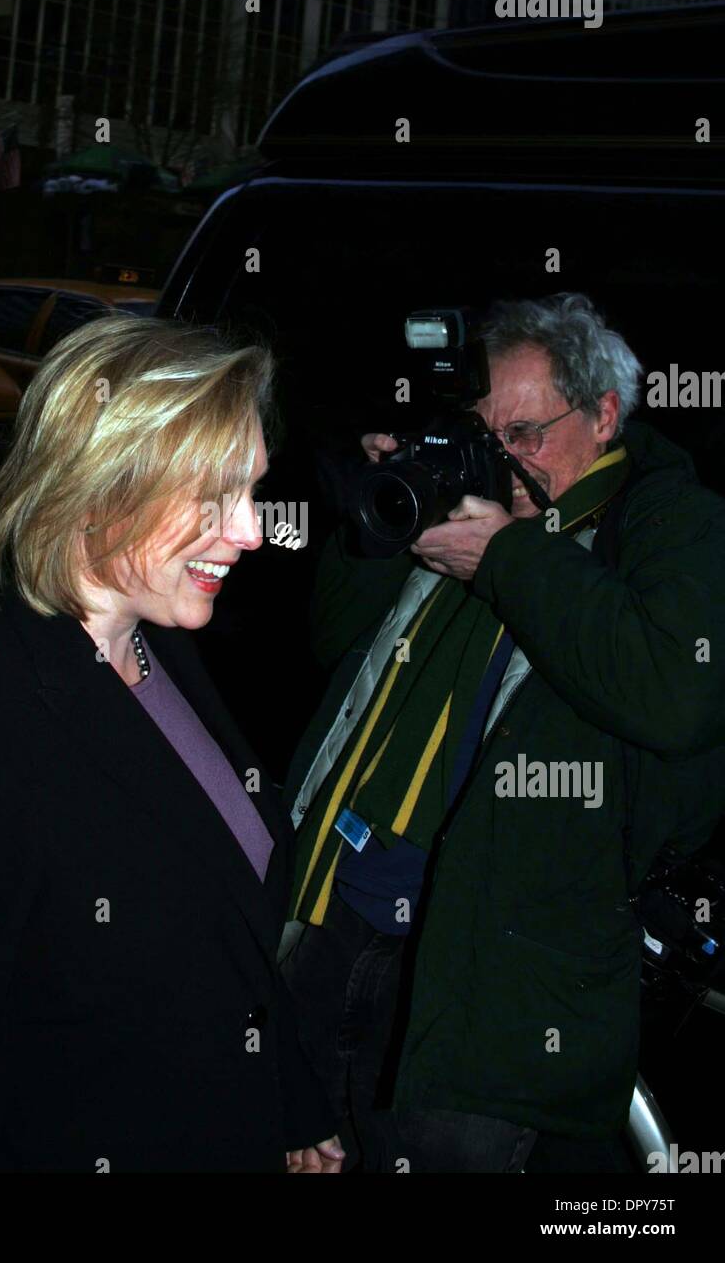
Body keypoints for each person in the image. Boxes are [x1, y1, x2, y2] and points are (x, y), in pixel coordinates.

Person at [0, 314, 343, 1173]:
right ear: (101, 484)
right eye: (214, 497)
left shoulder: (159, 642)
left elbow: (226, 922)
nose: (253, 531)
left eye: (252, 491)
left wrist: (285, 1100)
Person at [281, 293, 725, 1172]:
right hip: (342, 912)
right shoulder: (472, 504)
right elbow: (332, 641)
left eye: (526, 434)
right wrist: (385, 513)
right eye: (485, 435)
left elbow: (678, 691)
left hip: (492, 974)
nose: (505, 459)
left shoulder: (669, 523)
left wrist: (507, 559)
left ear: (603, 415)